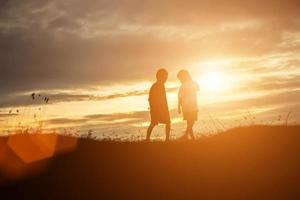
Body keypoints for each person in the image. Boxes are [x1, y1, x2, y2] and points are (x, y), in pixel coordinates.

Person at [146, 68, 171, 141]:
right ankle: (147, 139)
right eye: (165, 77)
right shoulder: (155, 86)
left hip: (162, 108)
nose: (166, 79)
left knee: (168, 122)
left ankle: (167, 139)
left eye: (166, 77)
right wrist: (154, 108)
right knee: (153, 123)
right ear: (159, 77)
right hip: (157, 108)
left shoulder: (161, 85)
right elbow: (150, 99)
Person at [177, 70, 199, 140]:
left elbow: (198, 88)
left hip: (191, 106)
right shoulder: (183, 86)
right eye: (179, 79)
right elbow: (180, 98)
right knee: (190, 122)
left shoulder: (190, 84)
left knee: (191, 122)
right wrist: (178, 107)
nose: (180, 80)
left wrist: (179, 107)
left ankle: (188, 136)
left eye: (180, 78)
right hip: (188, 107)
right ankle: (189, 137)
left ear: (185, 77)